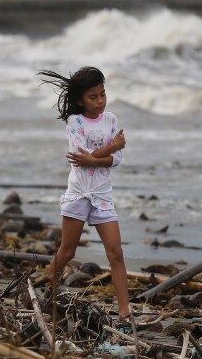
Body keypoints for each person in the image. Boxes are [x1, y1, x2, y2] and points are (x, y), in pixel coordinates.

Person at [37, 66, 136, 324]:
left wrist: (103, 156)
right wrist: (112, 147)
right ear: (80, 99)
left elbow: (116, 161)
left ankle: (125, 312)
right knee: (67, 252)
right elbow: (82, 158)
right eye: (93, 97)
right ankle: (46, 295)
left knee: (116, 253)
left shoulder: (111, 120)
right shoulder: (75, 122)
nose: (101, 101)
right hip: (79, 194)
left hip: (102, 196)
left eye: (103, 94)